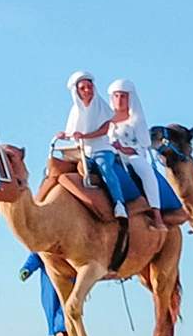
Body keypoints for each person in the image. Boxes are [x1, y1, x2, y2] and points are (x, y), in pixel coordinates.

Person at [58, 71, 135, 219]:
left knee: (105, 168)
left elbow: (105, 129)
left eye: (89, 86)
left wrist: (85, 136)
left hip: (102, 149)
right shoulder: (75, 110)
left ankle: (119, 204)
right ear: (77, 91)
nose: (87, 90)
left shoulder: (101, 106)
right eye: (83, 88)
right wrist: (64, 135)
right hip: (81, 151)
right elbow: (72, 132)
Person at [108, 77, 171, 232]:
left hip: (132, 157)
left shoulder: (136, 119)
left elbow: (143, 144)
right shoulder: (105, 119)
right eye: (116, 96)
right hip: (109, 154)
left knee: (146, 172)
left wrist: (122, 148)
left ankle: (156, 214)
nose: (119, 100)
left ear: (130, 98)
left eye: (123, 96)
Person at [20, 252, 69, 336]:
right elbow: (37, 253)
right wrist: (27, 268)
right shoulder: (47, 236)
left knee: (64, 319)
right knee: (55, 319)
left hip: (70, 280)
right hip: (50, 283)